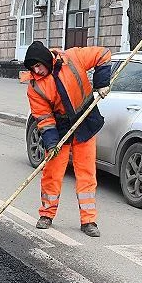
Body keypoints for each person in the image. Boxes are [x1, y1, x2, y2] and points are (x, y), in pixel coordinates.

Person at [24, 39, 112, 237]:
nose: (36, 71)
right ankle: (46, 214)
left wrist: (102, 83)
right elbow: (44, 118)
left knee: (86, 174)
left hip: (85, 119)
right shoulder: (35, 87)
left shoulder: (73, 58)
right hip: (60, 126)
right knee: (52, 173)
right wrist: (52, 142)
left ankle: (88, 220)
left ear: (46, 60)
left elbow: (103, 54)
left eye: (38, 65)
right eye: (32, 68)